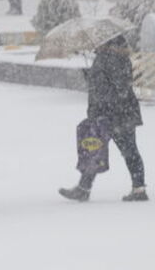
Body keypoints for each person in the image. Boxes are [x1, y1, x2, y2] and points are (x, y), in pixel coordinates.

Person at [59, 35, 148, 202]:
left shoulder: (109, 58)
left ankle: (86, 189)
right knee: (101, 149)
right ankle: (137, 188)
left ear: (107, 42)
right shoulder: (115, 58)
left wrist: (100, 93)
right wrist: (91, 76)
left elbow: (118, 87)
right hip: (119, 113)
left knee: (103, 150)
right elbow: (111, 84)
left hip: (113, 115)